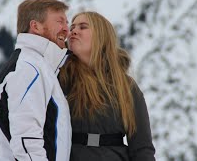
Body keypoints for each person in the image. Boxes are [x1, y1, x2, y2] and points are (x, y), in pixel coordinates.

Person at [58, 11, 156, 160]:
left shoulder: (126, 86)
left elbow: (142, 148)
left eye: (83, 27)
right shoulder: (59, 78)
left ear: (101, 37)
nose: (74, 31)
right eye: (72, 28)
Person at [0, 0, 72, 161]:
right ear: (36, 27)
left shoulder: (36, 65)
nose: (66, 30)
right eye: (60, 21)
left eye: (67, 23)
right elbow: (26, 140)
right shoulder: (29, 68)